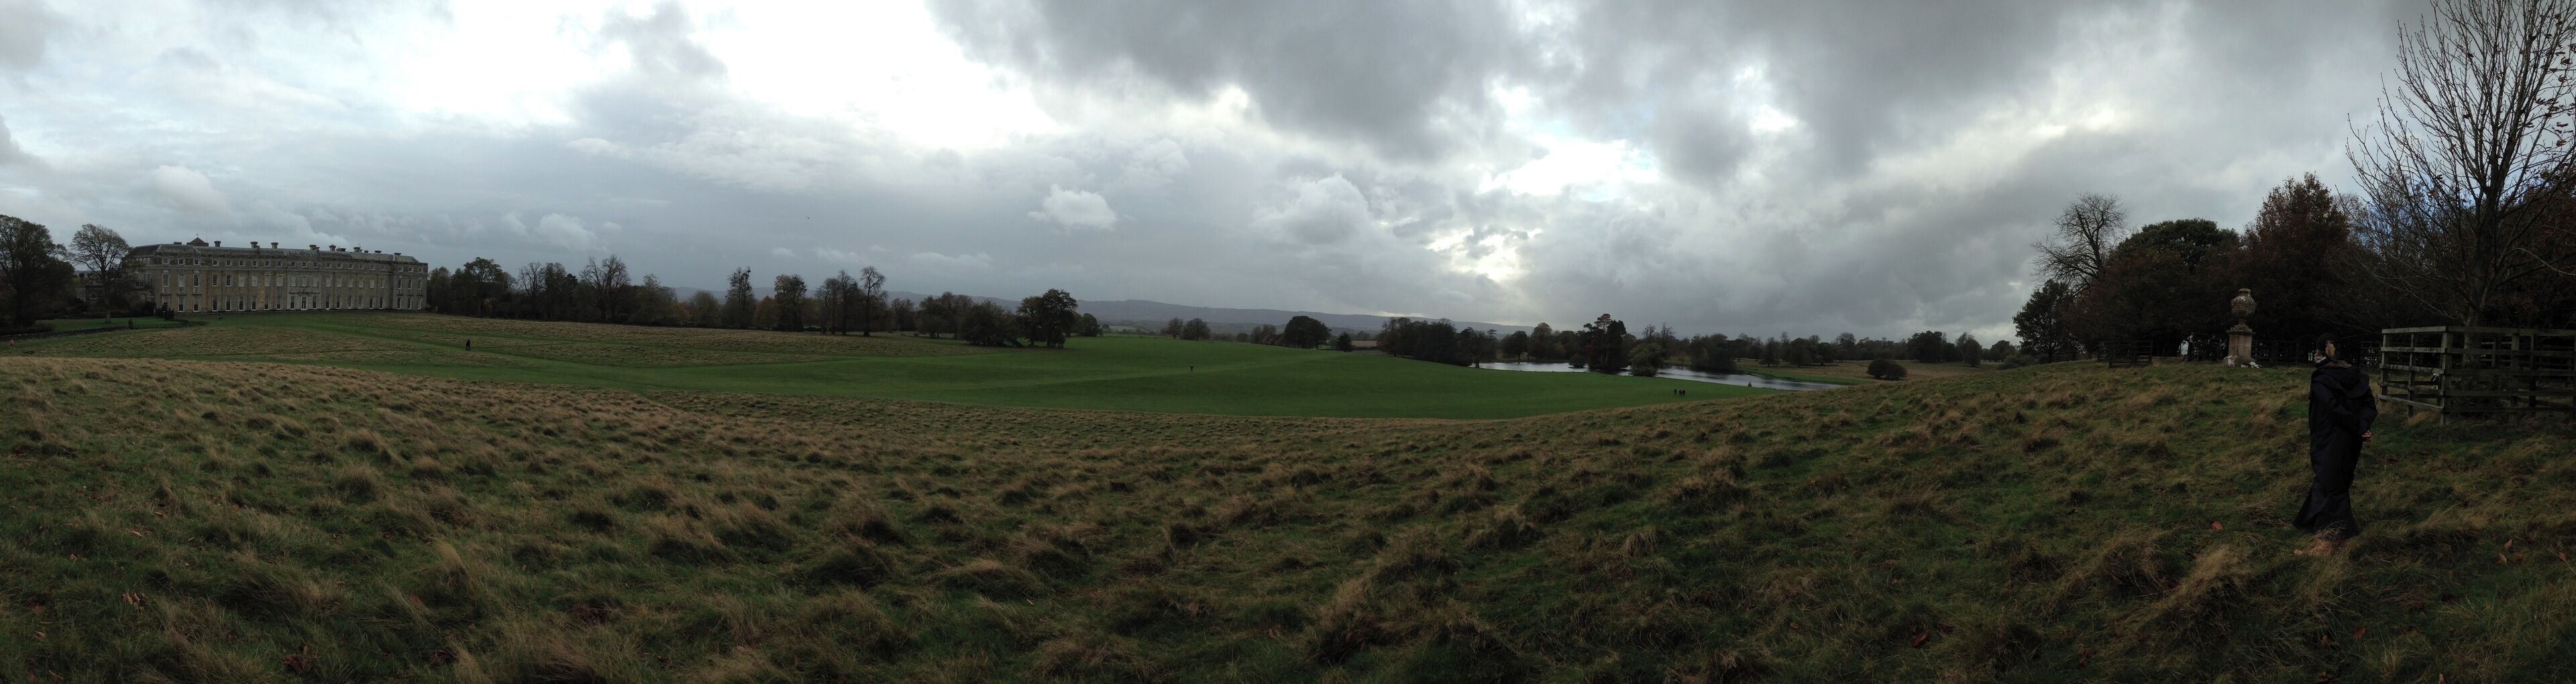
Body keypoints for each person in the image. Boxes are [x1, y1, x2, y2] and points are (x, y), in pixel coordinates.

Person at [2296, 333, 2375, 556]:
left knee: (2327, 486)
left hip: (2329, 439)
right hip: (2352, 440)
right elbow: (2369, 404)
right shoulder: (2357, 376)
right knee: (2339, 485)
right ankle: (2339, 541)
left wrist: (2357, 427)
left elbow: (2332, 408)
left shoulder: (2321, 378)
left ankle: (2325, 545)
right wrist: (2363, 427)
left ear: (2320, 353)